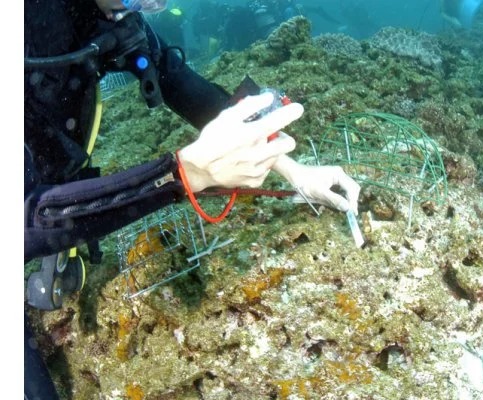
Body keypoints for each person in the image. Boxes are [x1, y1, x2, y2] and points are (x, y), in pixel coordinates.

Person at [24, 0, 360, 398]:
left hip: (52, 188)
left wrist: (294, 171)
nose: (148, 6)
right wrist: (181, 176)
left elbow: (183, 85)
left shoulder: (113, 17)